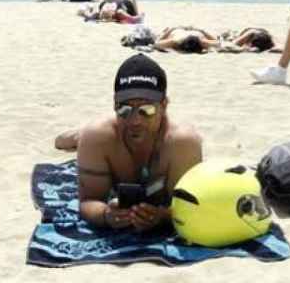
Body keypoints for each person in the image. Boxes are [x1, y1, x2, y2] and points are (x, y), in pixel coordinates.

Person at [57, 54, 202, 231]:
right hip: (101, 135)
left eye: (146, 110)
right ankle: (77, 135)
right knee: (66, 140)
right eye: (124, 109)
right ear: (114, 105)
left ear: (164, 106)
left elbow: (190, 207)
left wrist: (162, 217)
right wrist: (105, 215)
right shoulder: (97, 137)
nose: (135, 121)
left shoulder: (182, 142)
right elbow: (88, 201)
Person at [153, 26, 221, 53]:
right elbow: (217, 42)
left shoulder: (176, 41)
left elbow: (156, 43)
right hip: (193, 33)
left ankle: (167, 30)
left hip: (178, 32)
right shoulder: (201, 42)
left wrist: (171, 29)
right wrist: (202, 30)